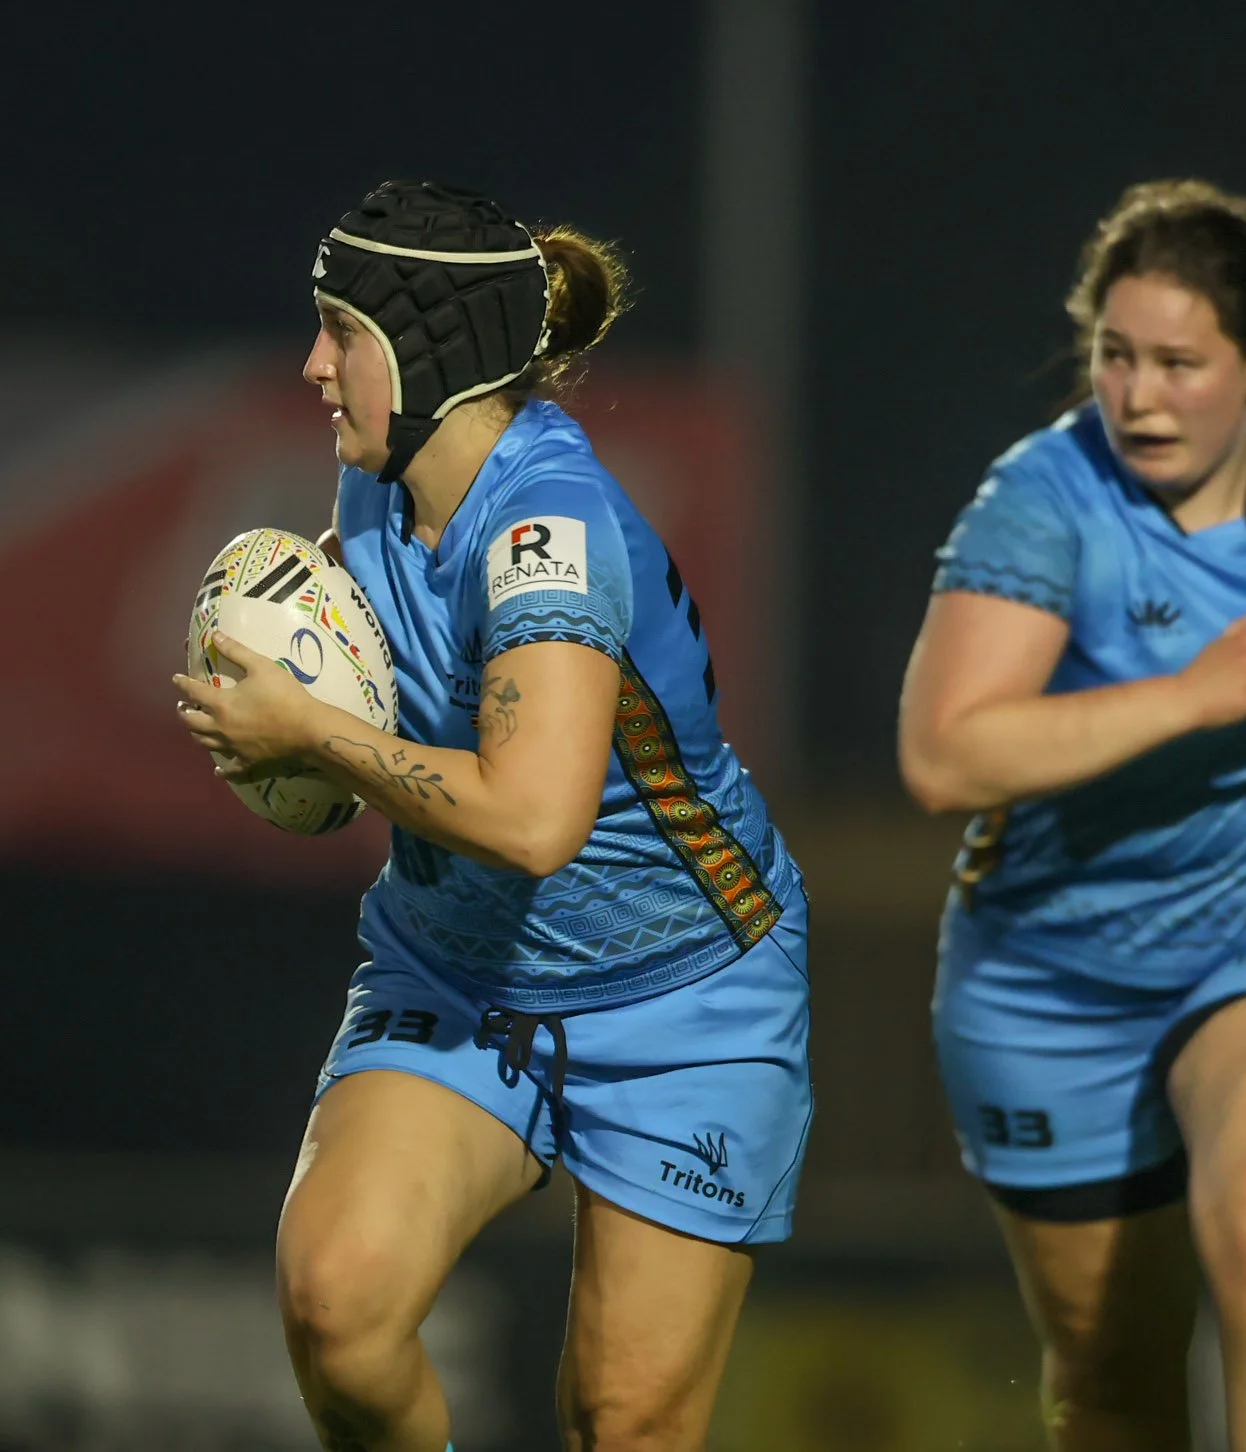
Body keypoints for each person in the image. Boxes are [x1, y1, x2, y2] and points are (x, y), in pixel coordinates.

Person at [174, 181, 811, 1452]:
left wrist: (312, 735)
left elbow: (533, 821)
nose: (313, 367)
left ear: (433, 354)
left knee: (624, 1423)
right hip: (461, 976)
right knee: (338, 1307)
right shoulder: (376, 483)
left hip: (683, 999)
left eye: (340, 332)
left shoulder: (549, 532)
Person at [898, 178, 1246, 1452]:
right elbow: (944, 755)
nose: (1139, 397)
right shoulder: (1044, 503)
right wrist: (1189, 696)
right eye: (1114, 357)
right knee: (1110, 1376)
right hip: (1055, 973)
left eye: (1179, 363)